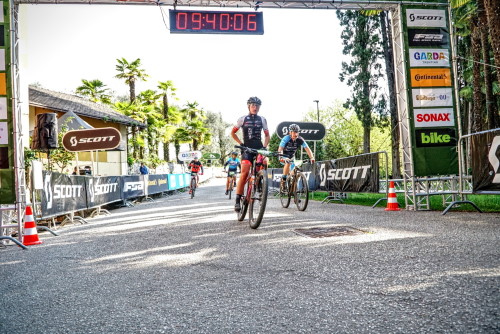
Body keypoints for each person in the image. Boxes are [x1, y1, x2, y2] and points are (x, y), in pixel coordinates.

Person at [231, 96, 270, 211]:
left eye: (257, 105)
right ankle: (238, 200)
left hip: (258, 148)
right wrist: (241, 143)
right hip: (246, 148)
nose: (255, 107)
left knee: (263, 163)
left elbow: (267, 135)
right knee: (245, 173)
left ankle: (259, 185)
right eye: (253, 105)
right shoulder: (242, 119)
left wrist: (264, 147)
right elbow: (232, 133)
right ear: (249, 106)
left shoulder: (262, 119)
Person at [278, 123, 315, 189]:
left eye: (297, 132)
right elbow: (280, 149)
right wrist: (281, 156)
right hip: (283, 156)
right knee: (288, 163)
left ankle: (294, 194)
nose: (296, 134)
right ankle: (283, 180)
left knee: (295, 174)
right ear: (290, 132)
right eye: (294, 132)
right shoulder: (286, 138)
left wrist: (311, 157)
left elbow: (307, 148)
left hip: (292, 158)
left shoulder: (300, 139)